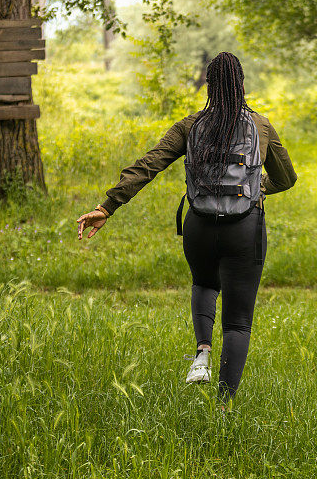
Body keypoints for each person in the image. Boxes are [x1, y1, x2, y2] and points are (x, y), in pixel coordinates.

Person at [76, 51, 297, 402]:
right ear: (241, 84)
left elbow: (149, 165)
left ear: (208, 87)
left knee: (205, 283)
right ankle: (224, 409)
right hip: (246, 228)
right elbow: (287, 178)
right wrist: (255, 188)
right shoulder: (261, 126)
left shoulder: (190, 125)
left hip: (199, 226)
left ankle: (202, 353)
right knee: (238, 321)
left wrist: (108, 206)